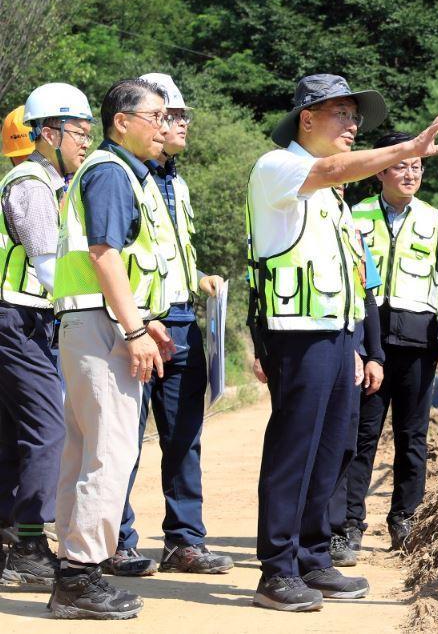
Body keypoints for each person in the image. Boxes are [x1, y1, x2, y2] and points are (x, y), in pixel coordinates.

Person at [246, 72, 438, 612]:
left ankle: (314, 557)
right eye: (342, 113)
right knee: (296, 448)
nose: (354, 123)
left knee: (334, 449)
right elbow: (331, 168)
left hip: (336, 336)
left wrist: (364, 346)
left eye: (355, 116)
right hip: (297, 335)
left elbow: (352, 275)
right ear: (306, 119)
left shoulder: (333, 195)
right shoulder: (280, 168)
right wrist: (405, 149)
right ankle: (277, 569)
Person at [49, 78, 176, 620]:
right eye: (156, 116)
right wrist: (133, 330)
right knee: (111, 451)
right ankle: (81, 577)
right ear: (121, 121)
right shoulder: (111, 172)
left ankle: (72, 571)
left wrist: (143, 319)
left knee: (84, 450)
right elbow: (104, 255)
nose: (165, 127)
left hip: (91, 325)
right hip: (102, 330)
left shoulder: (113, 172)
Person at [102, 73, 232, 577]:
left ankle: (184, 541)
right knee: (124, 439)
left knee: (185, 435)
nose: (178, 124)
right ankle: (117, 539)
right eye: (169, 115)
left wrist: (199, 278)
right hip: (137, 324)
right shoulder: (125, 176)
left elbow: (162, 254)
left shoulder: (175, 181)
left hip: (181, 320)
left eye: (177, 116)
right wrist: (135, 324)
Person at [331, 131, 438, 566]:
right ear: (381, 171)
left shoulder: (435, 221)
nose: (410, 174)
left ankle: (404, 518)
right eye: (401, 165)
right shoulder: (355, 216)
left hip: (418, 342)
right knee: (361, 436)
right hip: (370, 341)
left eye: (416, 167)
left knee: (412, 436)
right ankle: (349, 525)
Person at [0, 84, 94, 587]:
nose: (86, 141)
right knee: (47, 429)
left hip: (18, 317)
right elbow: (48, 265)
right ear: (47, 133)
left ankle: (9, 540)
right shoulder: (32, 184)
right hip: (18, 317)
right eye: (78, 131)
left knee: (13, 433)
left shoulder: (47, 182)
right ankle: (30, 546)